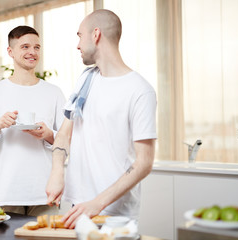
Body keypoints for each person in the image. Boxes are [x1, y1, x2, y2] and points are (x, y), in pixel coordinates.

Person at [46, 9, 157, 228]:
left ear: (96, 34)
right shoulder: (86, 80)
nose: (77, 45)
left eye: (80, 36)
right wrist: (57, 172)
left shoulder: (140, 91)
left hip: (115, 215)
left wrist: (97, 203)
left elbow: (144, 162)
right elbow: (64, 135)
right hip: (79, 208)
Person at [0, 25, 66, 216]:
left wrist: (48, 134)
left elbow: (69, 141)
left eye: (37, 47)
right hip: (6, 194)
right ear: (10, 52)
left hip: (46, 194)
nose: (32, 52)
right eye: (25, 47)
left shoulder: (54, 93)